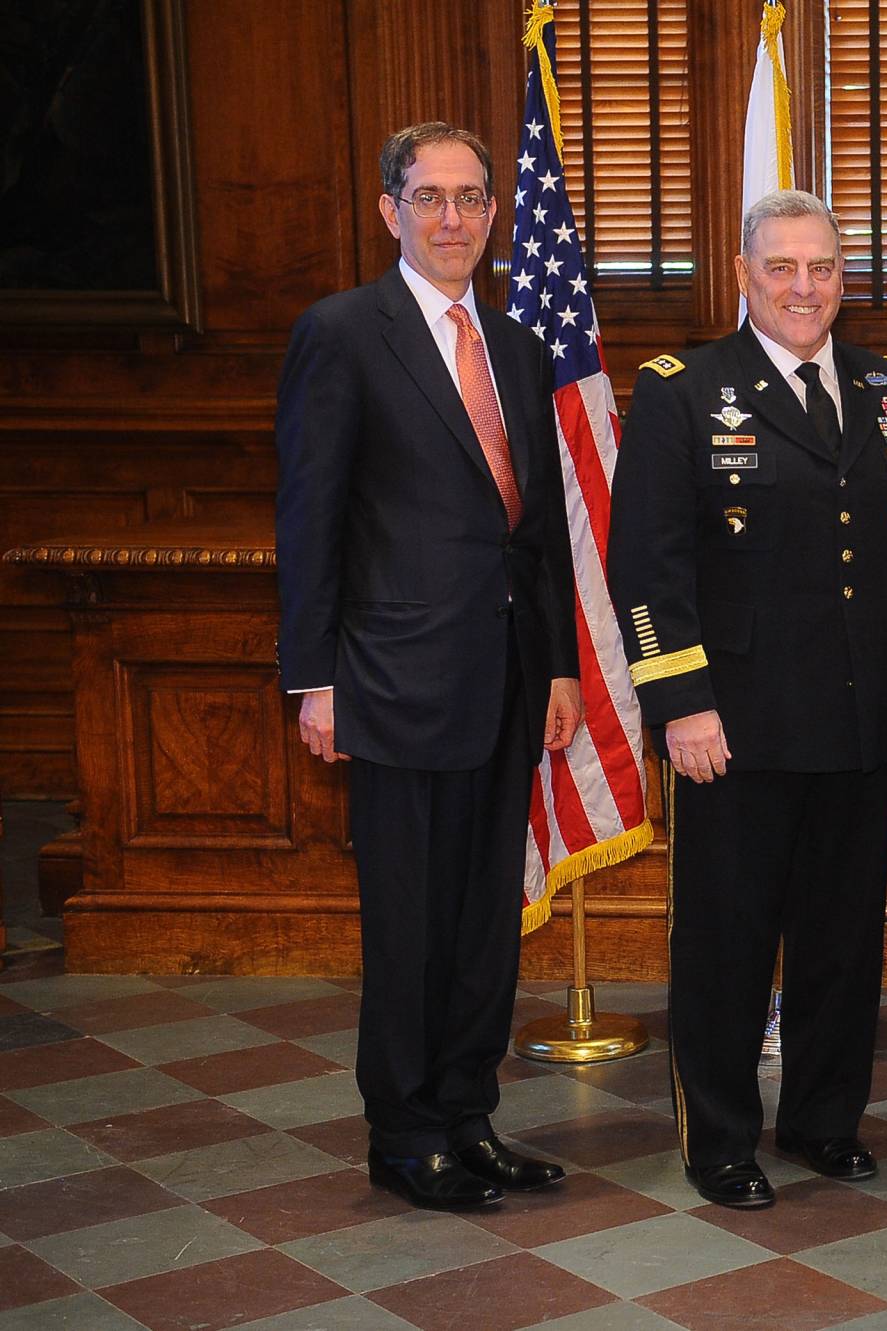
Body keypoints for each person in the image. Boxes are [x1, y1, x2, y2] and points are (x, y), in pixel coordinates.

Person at [607, 189, 887, 1210]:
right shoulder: (684, 390)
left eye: (824, 268)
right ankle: (720, 1135)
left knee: (842, 936)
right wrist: (680, 702)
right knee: (728, 938)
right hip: (736, 721)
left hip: (859, 710)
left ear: (845, 279)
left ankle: (823, 1119)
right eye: (784, 267)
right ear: (745, 273)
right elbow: (648, 565)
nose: (806, 287)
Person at [276, 123, 582, 1210]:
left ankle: (467, 1111)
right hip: (393, 678)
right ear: (389, 211)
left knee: (481, 916)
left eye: (469, 198)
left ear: (495, 214)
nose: (451, 218)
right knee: (407, 917)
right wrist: (315, 679)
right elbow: (311, 517)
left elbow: (533, 528)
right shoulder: (343, 334)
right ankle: (404, 1131)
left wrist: (555, 667)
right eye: (429, 197)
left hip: (503, 675)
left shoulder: (514, 346)